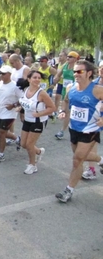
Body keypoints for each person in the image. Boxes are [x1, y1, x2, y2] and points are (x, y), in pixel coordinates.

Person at [55, 60, 103, 203]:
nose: (76, 74)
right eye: (75, 71)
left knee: (77, 160)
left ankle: (68, 190)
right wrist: (63, 111)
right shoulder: (70, 87)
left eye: (79, 71)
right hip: (74, 128)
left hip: (90, 129)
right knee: (81, 156)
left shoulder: (97, 89)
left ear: (89, 73)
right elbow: (66, 101)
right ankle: (101, 160)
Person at [18, 70, 56, 174]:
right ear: (29, 79)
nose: (37, 80)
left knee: (29, 145)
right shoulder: (26, 90)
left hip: (38, 121)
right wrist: (20, 108)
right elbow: (26, 104)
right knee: (23, 144)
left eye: (39, 78)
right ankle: (39, 151)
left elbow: (52, 108)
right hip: (27, 120)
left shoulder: (42, 93)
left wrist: (39, 114)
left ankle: (32, 165)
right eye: (35, 77)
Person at [0, 65, 23, 163]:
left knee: (1, 133)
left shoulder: (15, 86)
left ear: (9, 74)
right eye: (0, 73)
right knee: (2, 133)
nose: (1, 75)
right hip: (0, 113)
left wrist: (13, 105)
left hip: (10, 114)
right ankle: (18, 139)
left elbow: (23, 99)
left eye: (3, 74)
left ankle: (0, 154)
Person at [51, 51, 78, 140]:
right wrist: (55, 80)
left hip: (74, 91)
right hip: (65, 90)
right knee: (67, 111)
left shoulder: (76, 67)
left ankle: (62, 131)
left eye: (70, 57)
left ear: (75, 58)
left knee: (67, 111)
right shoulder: (65, 66)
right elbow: (58, 75)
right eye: (68, 56)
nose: (68, 58)